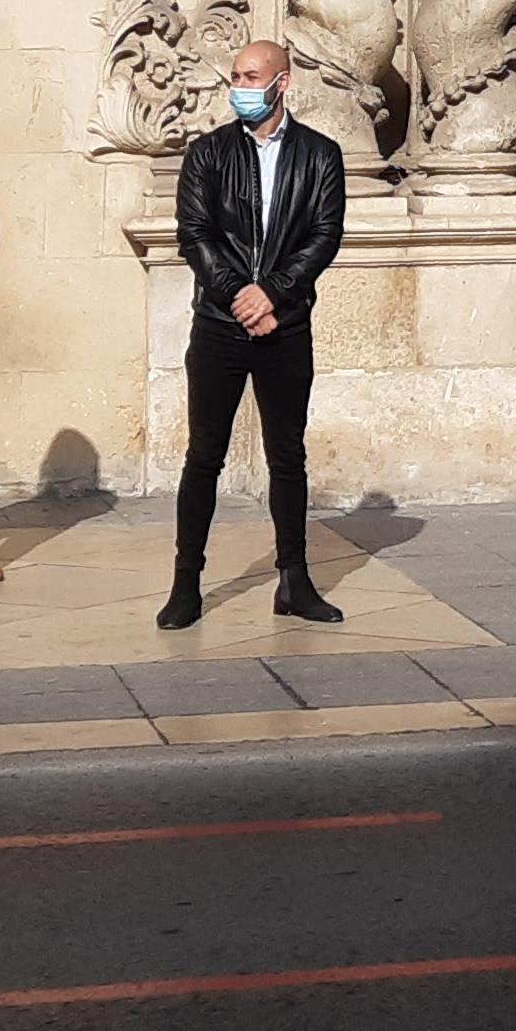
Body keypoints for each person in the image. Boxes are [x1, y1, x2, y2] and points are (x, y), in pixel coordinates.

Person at [160, 38, 348, 628]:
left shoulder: (320, 154)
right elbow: (194, 233)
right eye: (236, 76)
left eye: (251, 76)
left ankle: (295, 579)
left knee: (287, 457)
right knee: (204, 456)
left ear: (282, 82)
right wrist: (241, 296)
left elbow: (324, 235)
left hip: (286, 325)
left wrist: (273, 293)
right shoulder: (208, 153)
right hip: (219, 324)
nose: (240, 86)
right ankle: (186, 582)